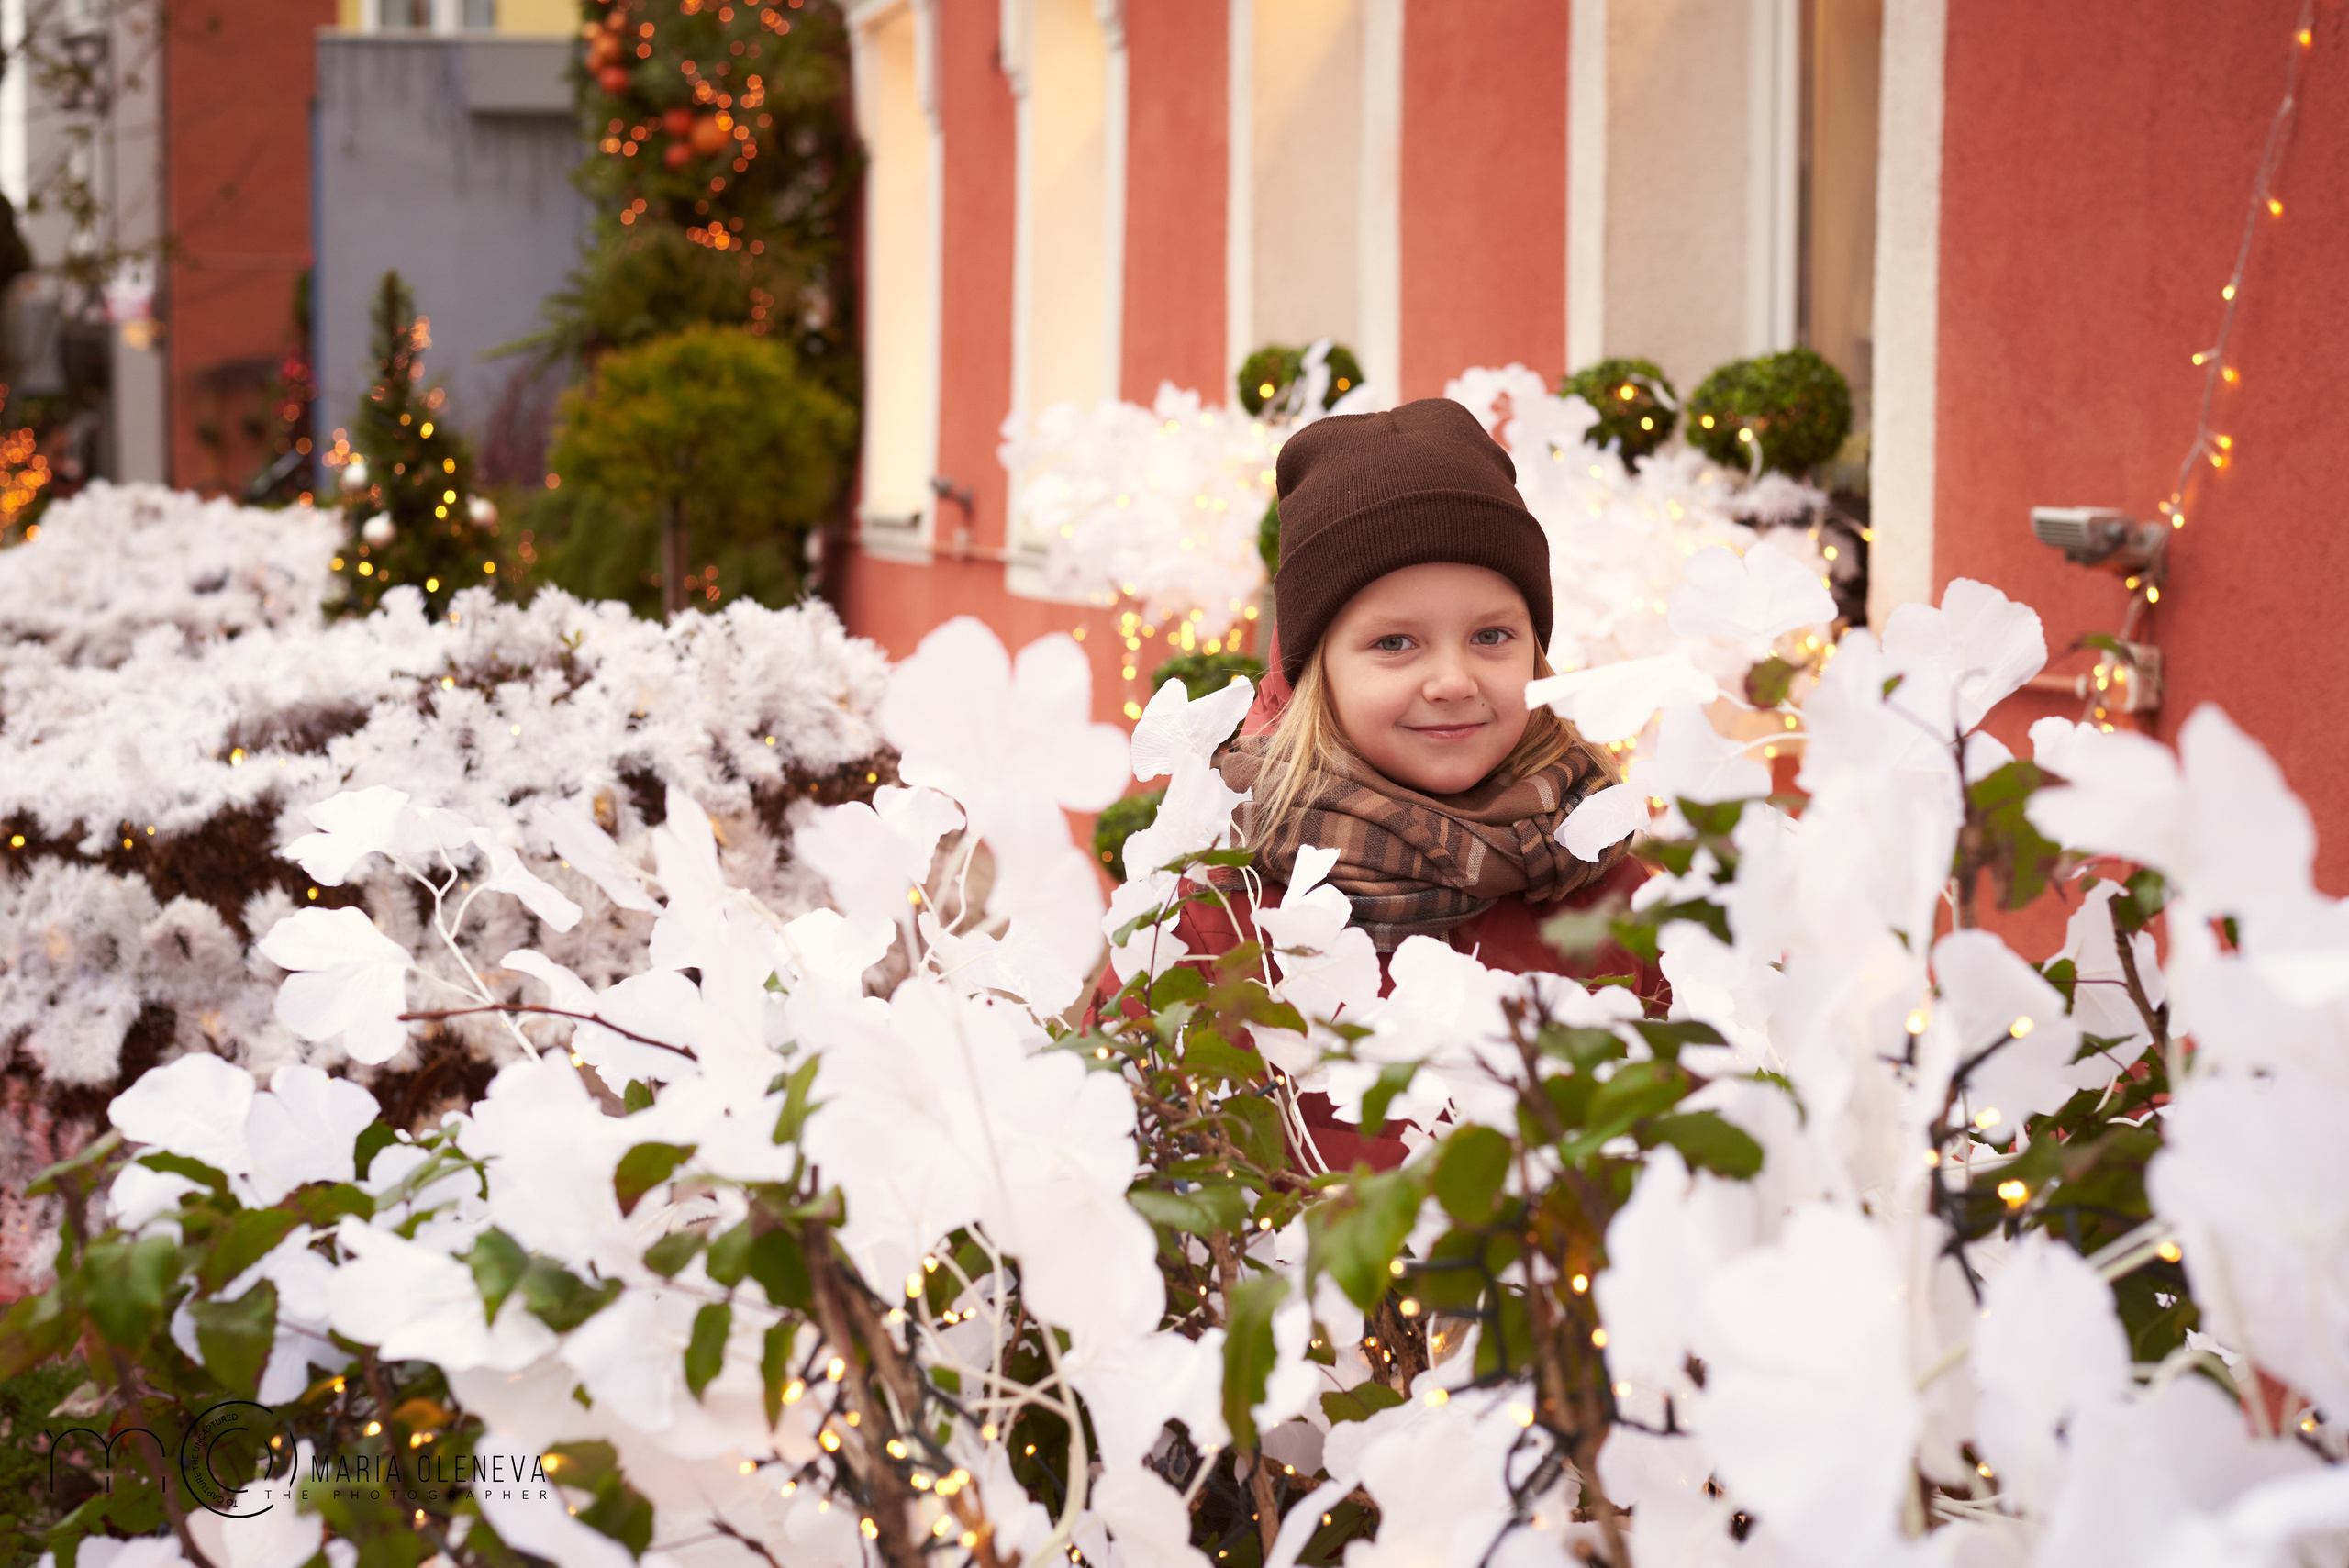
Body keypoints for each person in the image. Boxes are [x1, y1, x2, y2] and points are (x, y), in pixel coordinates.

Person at [1108, 397, 1658, 1168]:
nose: (1453, 679)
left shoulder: (1613, 896)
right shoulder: (1215, 926)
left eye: (1491, 636)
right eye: (1395, 642)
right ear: (1315, 671)